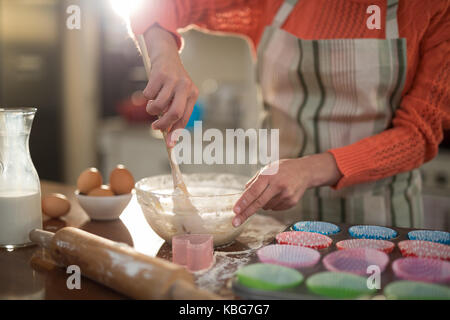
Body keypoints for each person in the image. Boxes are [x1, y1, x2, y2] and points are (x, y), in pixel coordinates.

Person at [129, 0, 449, 228]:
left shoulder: (431, 8)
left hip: (380, 222)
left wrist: (308, 170)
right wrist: (163, 52)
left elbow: (419, 133)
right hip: (279, 218)